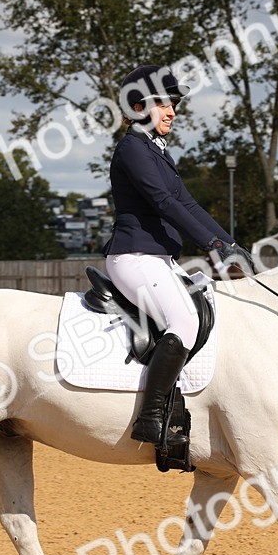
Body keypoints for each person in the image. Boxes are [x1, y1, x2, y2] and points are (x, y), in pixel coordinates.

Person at [106, 64, 258, 447]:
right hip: (134, 255)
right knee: (184, 322)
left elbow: (185, 202)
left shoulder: (155, 150)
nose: (172, 110)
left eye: (173, 102)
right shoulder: (132, 148)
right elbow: (161, 202)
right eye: (163, 103)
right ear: (139, 106)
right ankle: (151, 418)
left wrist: (229, 243)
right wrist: (210, 245)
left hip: (158, 259)